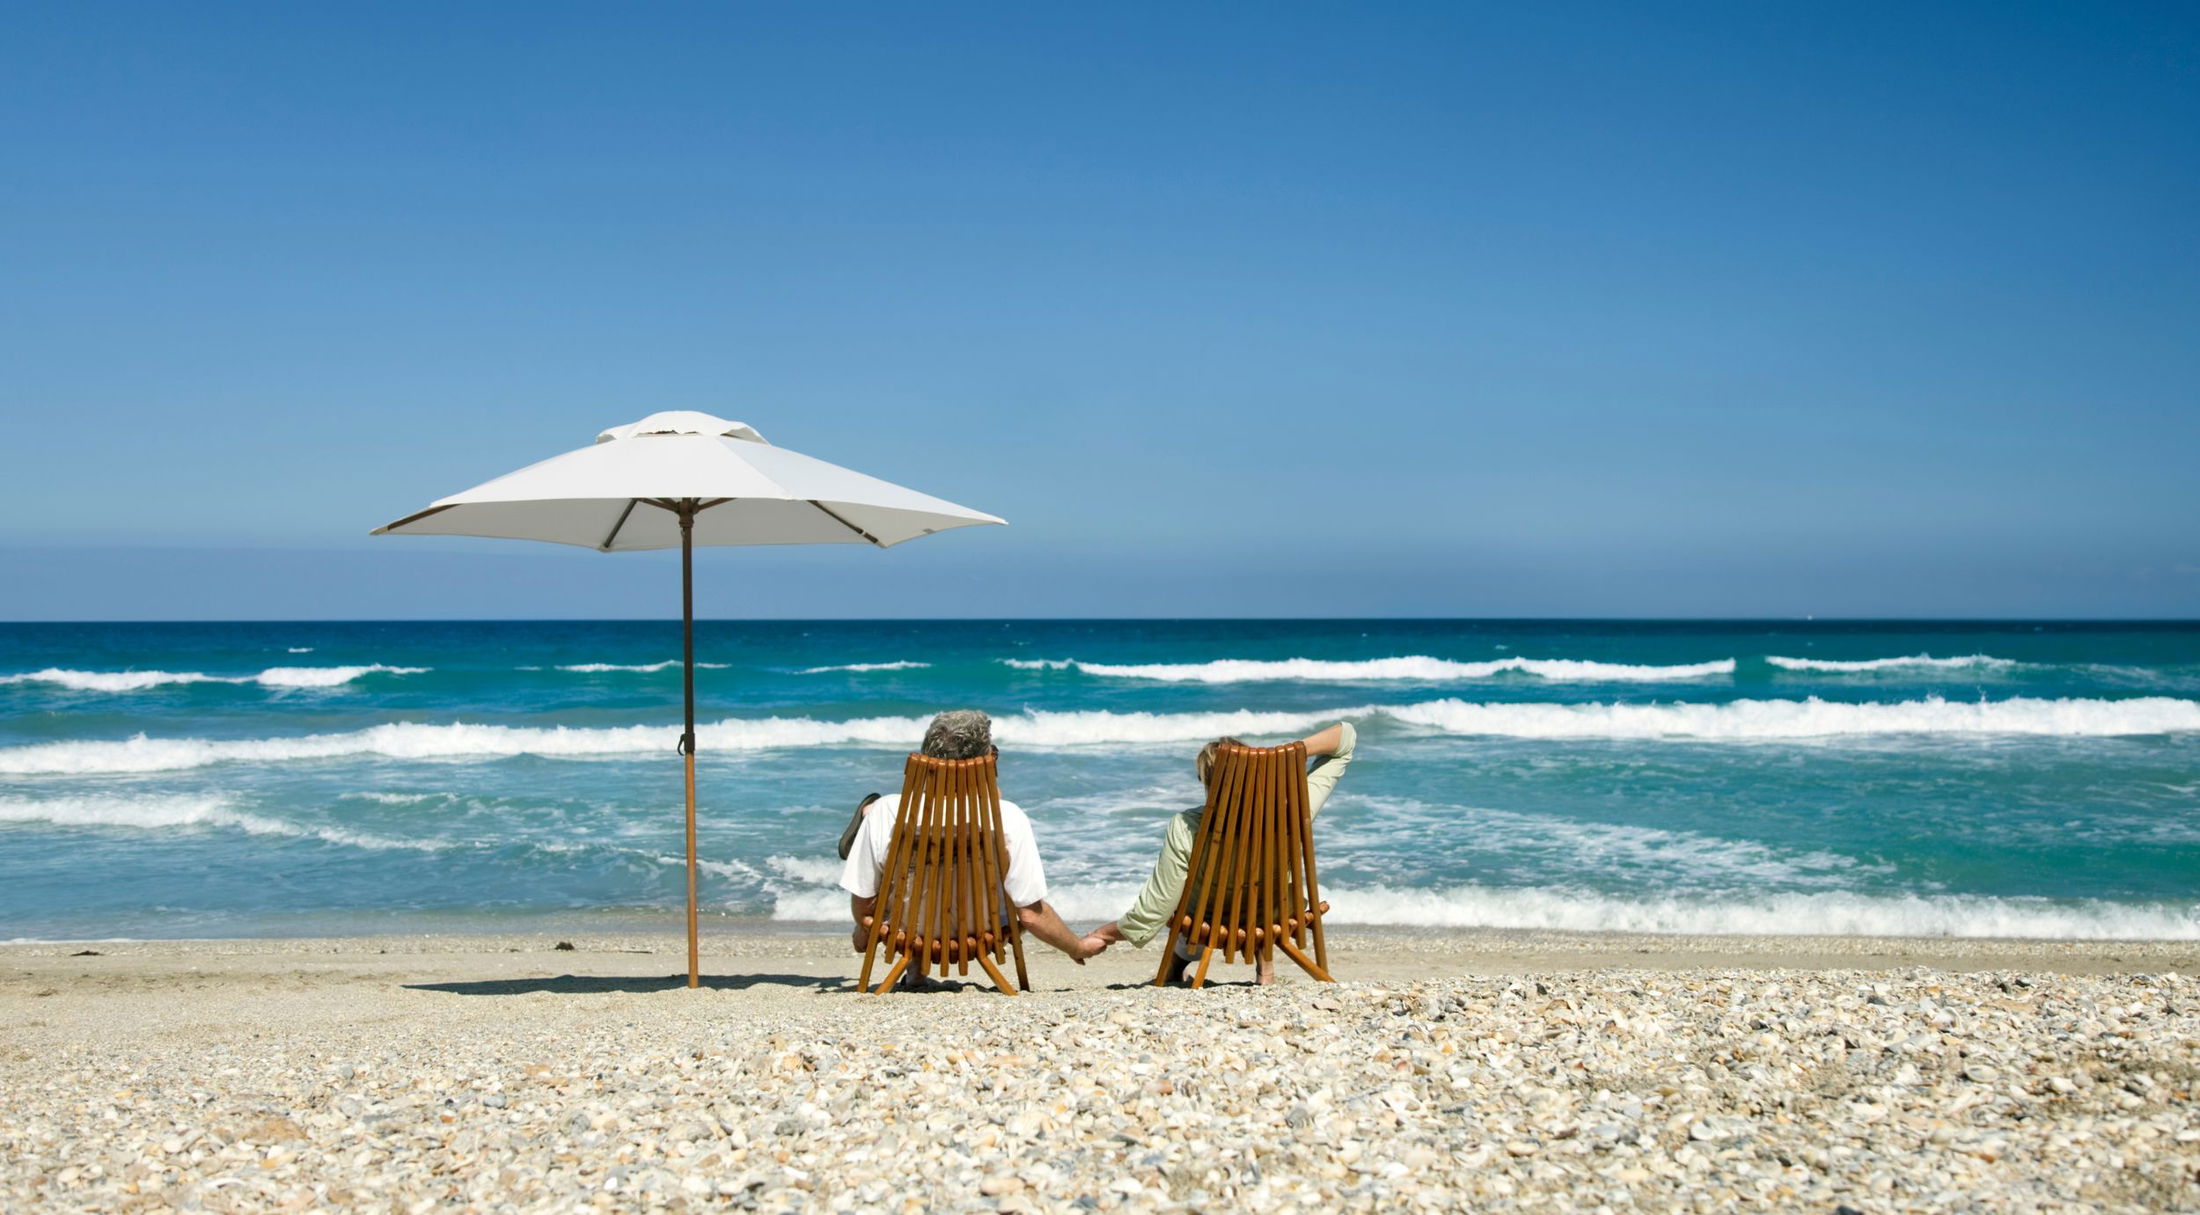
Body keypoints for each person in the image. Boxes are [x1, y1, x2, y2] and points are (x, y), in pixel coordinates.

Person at [1082, 721, 1356, 984]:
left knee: (1188, 897)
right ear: (1258, 772)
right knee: (1262, 893)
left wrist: (1104, 933)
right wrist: (1280, 757)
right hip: (1274, 917)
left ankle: (1176, 968)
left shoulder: (1187, 826)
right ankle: (1265, 969)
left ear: (1207, 781)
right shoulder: (1292, 808)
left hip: (1209, 922)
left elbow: (1157, 908)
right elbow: (1345, 738)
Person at [837, 709, 1096, 975]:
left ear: (926, 759)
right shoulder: (1008, 816)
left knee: (888, 830)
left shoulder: (888, 811)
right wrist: (1077, 947)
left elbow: (863, 900)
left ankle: (915, 965)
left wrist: (864, 929)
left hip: (905, 930)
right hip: (983, 931)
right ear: (985, 762)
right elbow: (1030, 914)